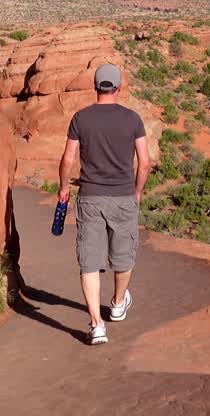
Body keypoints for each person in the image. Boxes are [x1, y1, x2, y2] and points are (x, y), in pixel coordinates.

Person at [58, 63, 150, 345]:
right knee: (123, 255)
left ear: (95, 87)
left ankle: (97, 324)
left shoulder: (80, 119)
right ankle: (119, 302)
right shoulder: (133, 119)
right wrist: (136, 192)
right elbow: (144, 163)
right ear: (119, 88)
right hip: (123, 196)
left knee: (89, 260)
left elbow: (68, 159)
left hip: (90, 197)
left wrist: (63, 188)